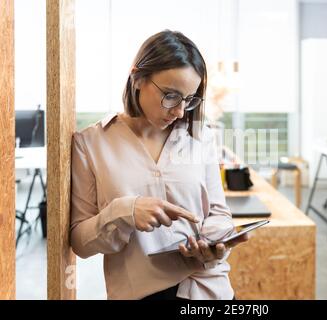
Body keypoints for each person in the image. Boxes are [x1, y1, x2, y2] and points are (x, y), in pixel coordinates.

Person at [70, 30, 248, 300]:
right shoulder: (91, 143)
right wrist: (125, 211)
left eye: (189, 100)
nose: (179, 111)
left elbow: (219, 214)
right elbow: (80, 243)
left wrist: (214, 245)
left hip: (210, 291)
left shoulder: (202, 137)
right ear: (138, 77)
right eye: (171, 96)